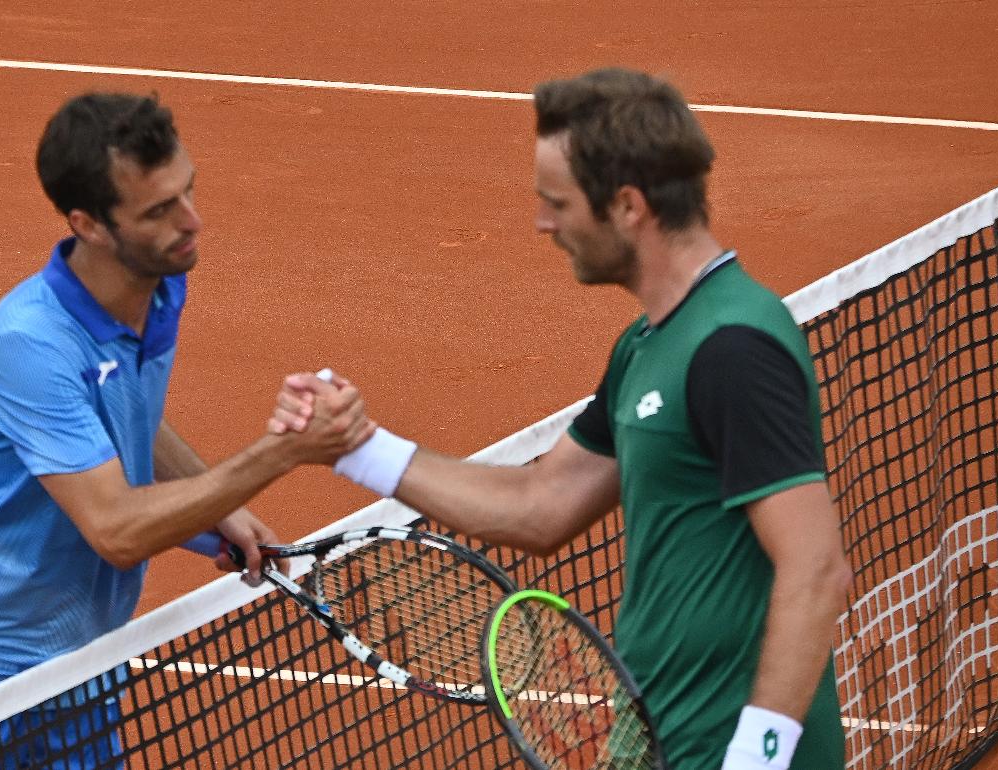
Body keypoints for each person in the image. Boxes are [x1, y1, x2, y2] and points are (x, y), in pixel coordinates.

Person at [274, 69, 851, 770]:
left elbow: (815, 566)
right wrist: (360, 448)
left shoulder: (732, 350)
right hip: (654, 741)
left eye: (558, 202)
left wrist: (759, 757)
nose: (543, 224)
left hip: (734, 753)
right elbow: (542, 504)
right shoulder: (650, 344)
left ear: (629, 206)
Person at [0, 92, 373, 758]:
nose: (191, 222)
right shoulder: (30, 343)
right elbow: (116, 530)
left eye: (186, 191)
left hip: (75, 677)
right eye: (158, 211)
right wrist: (279, 453)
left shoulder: (158, 284)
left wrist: (222, 507)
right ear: (88, 225)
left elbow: (127, 412)